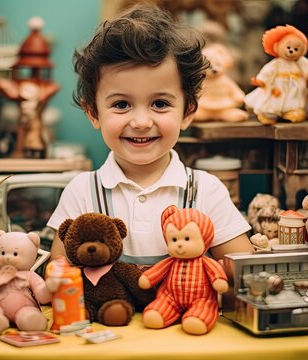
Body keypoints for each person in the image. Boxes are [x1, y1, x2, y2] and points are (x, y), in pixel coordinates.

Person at [47, 4, 253, 266]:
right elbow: (59, 271)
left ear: (188, 111)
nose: (142, 122)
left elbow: (242, 267)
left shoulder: (205, 191)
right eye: (121, 105)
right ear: (93, 113)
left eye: (160, 104)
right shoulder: (83, 192)